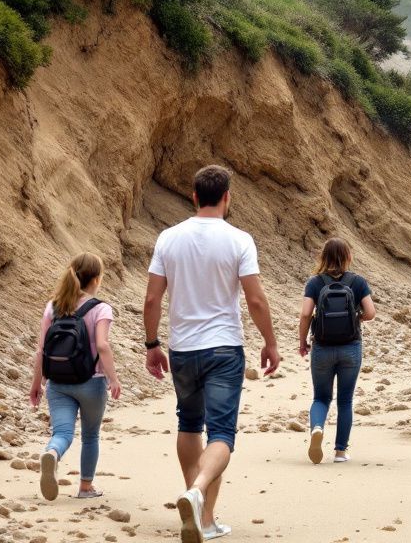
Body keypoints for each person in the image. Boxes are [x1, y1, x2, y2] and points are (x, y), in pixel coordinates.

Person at [144, 165, 281, 543]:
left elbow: (153, 297)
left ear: (193, 197)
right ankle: (198, 496)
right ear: (227, 197)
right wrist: (270, 342)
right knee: (221, 433)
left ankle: (202, 518)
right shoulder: (239, 240)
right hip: (223, 348)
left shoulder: (168, 238)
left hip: (183, 349)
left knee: (188, 423)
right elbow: (255, 299)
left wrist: (151, 344)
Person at [29, 253, 121, 501]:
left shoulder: (53, 307)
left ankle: (53, 453)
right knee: (90, 435)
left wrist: (37, 384)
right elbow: (102, 346)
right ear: (96, 279)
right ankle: (85, 487)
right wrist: (113, 379)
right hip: (91, 382)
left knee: (62, 433)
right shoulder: (101, 308)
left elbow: (41, 350)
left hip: (58, 383)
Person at [299, 238, 375, 464]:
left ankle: (317, 429)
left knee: (321, 397)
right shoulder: (358, 282)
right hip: (350, 348)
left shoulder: (315, 283)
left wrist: (302, 342)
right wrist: (356, 317)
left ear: (323, 256)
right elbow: (371, 312)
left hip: (322, 347)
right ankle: (340, 451)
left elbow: (305, 314)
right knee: (345, 400)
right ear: (348, 256)